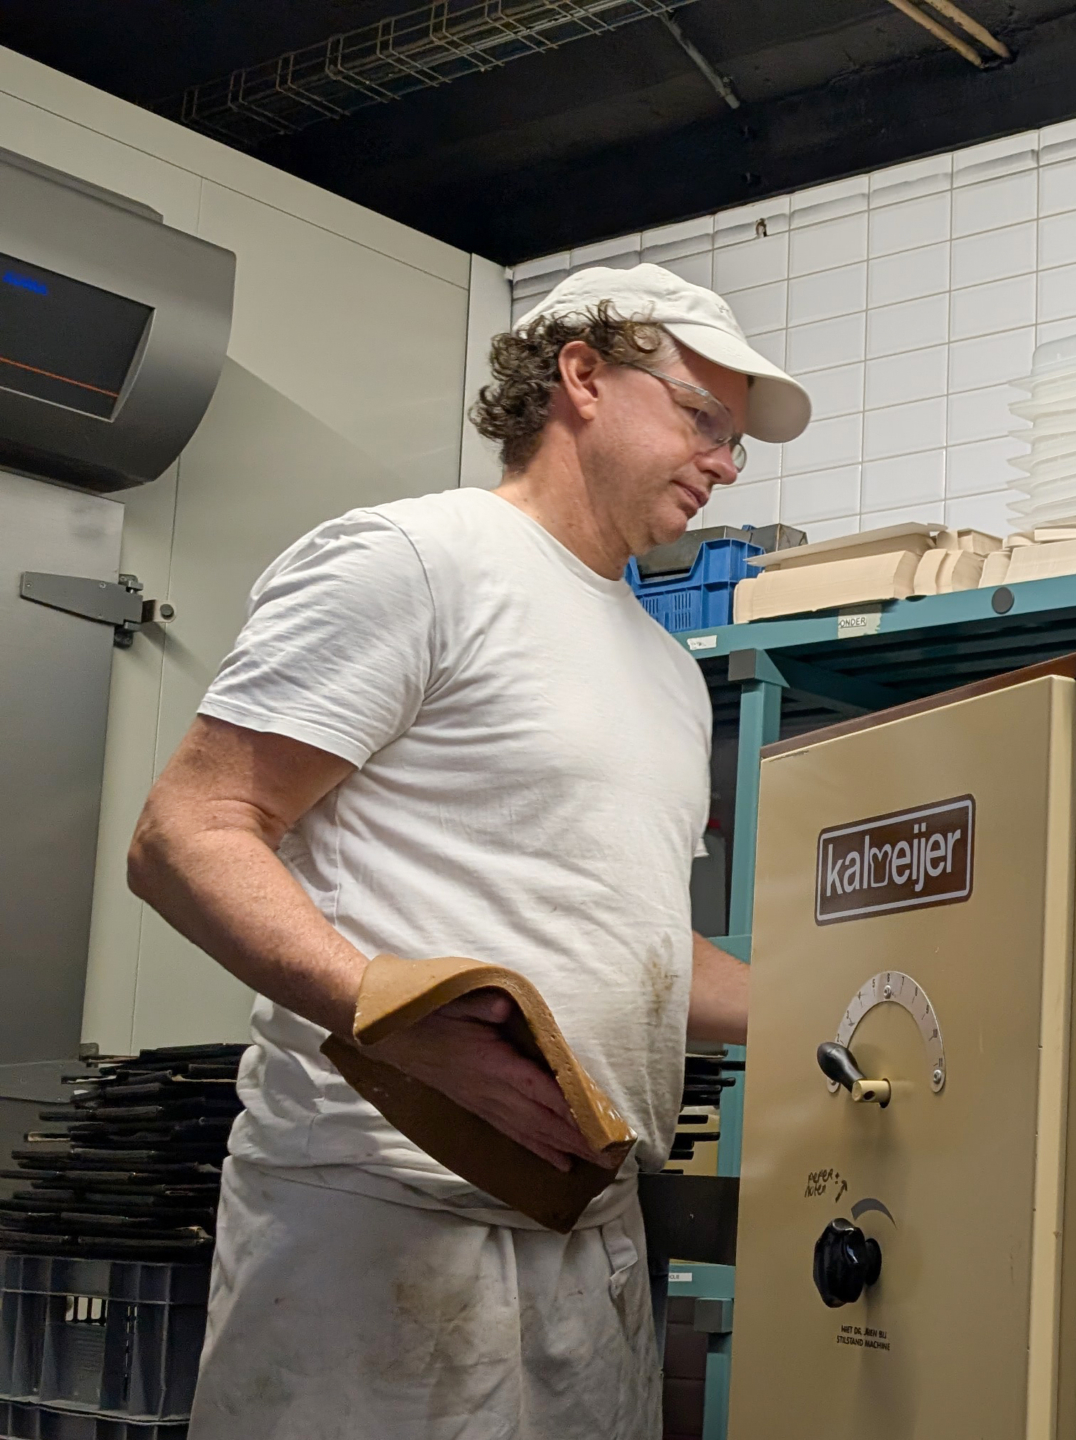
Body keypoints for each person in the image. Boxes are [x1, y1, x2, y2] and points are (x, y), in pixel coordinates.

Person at [126, 263, 809, 1438]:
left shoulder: (663, 670)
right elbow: (186, 832)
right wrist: (389, 1016)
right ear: (583, 377)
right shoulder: (416, 561)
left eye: (739, 444)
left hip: (588, 1232)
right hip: (383, 1220)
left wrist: (843, 1008)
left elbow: (631, 948)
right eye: (703, 419)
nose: (725, 464)